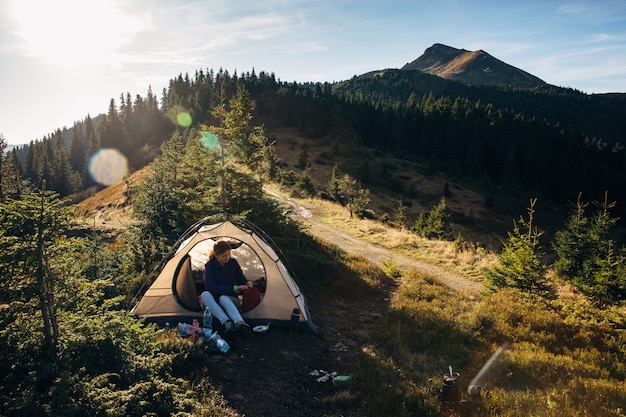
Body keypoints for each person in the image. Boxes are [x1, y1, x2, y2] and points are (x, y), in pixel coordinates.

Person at [200, 240, 252, 333]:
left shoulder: (233, 263)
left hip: (230, 300)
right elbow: (210, 287)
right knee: (205, 294)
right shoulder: (210, 266)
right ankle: (226, 322)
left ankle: (239, 322)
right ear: (216, 255)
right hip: (213, 304)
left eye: (229, 254)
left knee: (223, 298)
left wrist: (247, 282)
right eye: (224, 256)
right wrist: (234, 288)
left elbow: (241, 279)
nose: (227, 258)